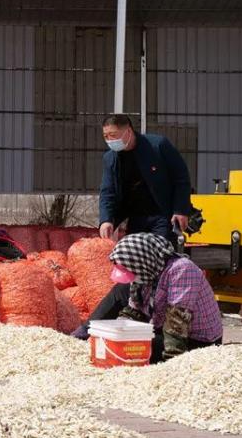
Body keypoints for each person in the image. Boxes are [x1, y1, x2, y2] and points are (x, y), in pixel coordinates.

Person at [77, 233, 222, 363]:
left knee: (128, 347)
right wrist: (118, 330)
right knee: (120, 292)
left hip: (195, 341)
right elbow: (134, 312)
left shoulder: (182, 270)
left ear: (141, 261)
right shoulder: (148, 270)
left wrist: (173, 364)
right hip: (163, 328)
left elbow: (177, 321)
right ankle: (80, 335)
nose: (132, 278)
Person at [99, 114, 192, 243]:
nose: (110, 140)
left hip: (163, 214)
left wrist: (180, 210)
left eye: (113, 135)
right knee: (135, 256)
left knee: (161, 253)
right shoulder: (110, 158)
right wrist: (106, 220)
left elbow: (181, 179)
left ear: (129, 131)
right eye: (106, 136)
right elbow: (107, 191)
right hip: (135, 218)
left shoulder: (158, 146)